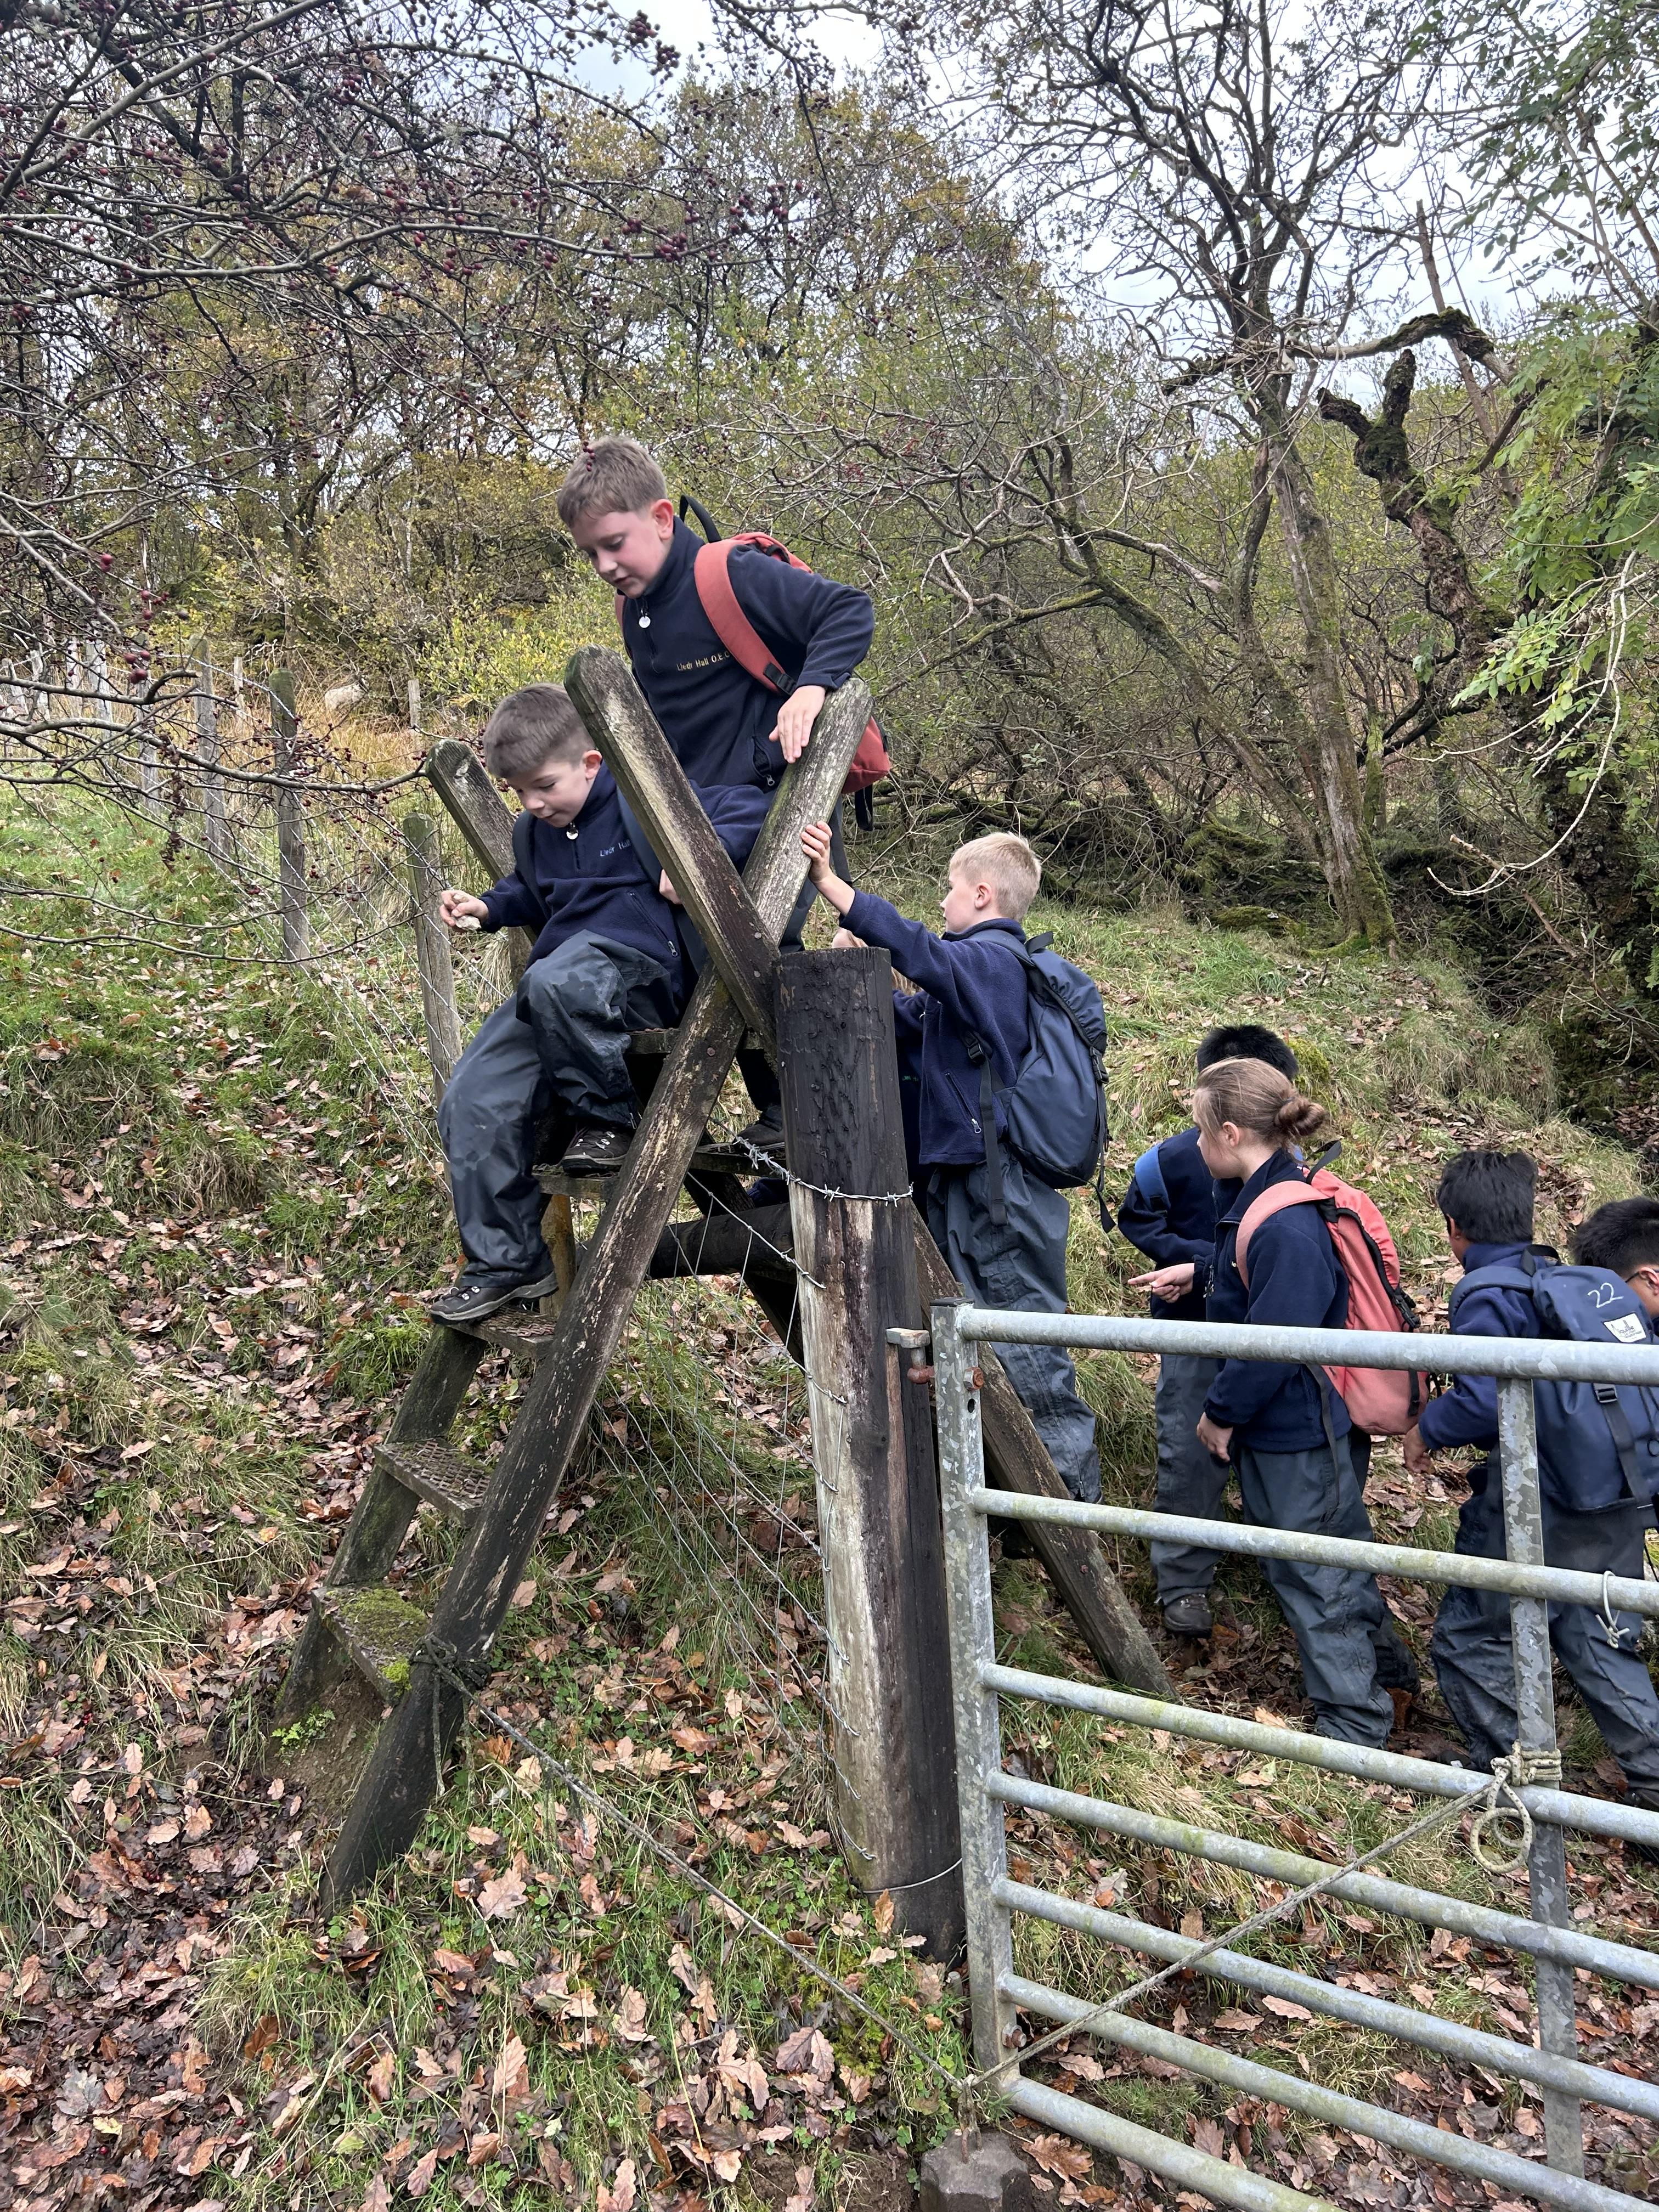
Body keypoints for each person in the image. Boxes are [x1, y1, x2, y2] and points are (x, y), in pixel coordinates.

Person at [556, 437, 875, 1152]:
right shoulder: (634, 615)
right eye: (590, 554)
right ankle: (737, 1109)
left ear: (661, 518)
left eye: (614, 544)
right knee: (697, 940)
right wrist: (671, 845)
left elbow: (848, 610)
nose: (605, 566)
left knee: (753, 939)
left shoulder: (727, 573)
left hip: (773, 802)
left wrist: (811, 688)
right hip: (699, 815)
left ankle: (799, 1114)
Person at [431, 684, 767, 1324]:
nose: (532, 804)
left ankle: (610, 1120)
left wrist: (697, 856)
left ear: (592, 763)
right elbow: (532, 890)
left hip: (644, 975)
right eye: (518, 793)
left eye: (543, 786)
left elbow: (748, 809)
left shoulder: (643, 798)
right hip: (561, 987)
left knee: (556, 980)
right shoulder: (536, 832)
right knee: (472, 1095)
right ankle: (506, 1264)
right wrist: (489, 907)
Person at [799, 819, 1102, 1503]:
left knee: (1024, 1352)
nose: (942, 902)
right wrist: (847, 972)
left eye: (950, 890)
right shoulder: (972, 987)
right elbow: (906, 1018)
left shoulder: (993, 962)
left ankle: (1076, 1512)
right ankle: (1015, 1505)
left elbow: (926, 955)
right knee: (973, 1347)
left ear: (983, 896)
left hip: (999, 1196)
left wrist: (837, 890)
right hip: (970, 1189)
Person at [1407, 1159, 1659, 1825]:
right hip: (1613, 1491)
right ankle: (1656, 1792)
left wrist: (1426, 1430)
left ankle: (1517, 1785)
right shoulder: (1559, 1276)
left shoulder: (1487, 1290)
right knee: (1597, 1637)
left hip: (1539, 1497)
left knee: (1471, 1636)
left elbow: (1482, 1396)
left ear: (1455, 1229)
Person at [1188, 1057, 1400, 1745]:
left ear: (1230, 1134)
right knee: (1335, 1560)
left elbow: (1275, 1339)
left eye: (1201, 1130)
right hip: (1300, 1427)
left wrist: (1221, 1412)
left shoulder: (1283, 1222)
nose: (1196, 1144)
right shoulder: (1276, 1196)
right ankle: (1391, 1683)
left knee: (1313, 1572)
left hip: (1298, 1434)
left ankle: (1356, 1724)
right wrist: (1201, 1272)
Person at [1119, 1025, 1299, 1639]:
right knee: (1189, 1452)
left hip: (1267, 1333)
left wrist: (1209, 1268)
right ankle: (1183, 1581)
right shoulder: (1173, 1158)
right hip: (1191, 1329)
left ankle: (1289, 1567)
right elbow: (1137, 1216)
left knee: (1271, 1450)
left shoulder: (1289, 1169)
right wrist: (1192, 1262)